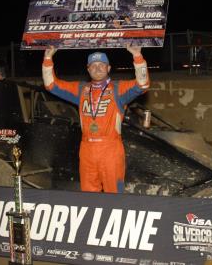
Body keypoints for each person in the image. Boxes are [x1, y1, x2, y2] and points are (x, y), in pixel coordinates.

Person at [42, 44, 150, 193]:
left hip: (110, 149)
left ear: (108, 68)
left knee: (114, 195)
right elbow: (50, 85)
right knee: (88, 195)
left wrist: (138, 57)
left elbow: (143, 84)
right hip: (87, 149)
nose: (97, 68)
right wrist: (48, 58)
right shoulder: (81, 89)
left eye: (101, 65)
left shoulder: (118, 89)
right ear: (88, 69)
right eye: (93, 65)